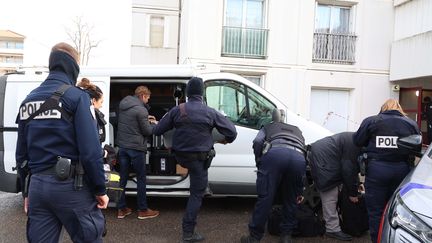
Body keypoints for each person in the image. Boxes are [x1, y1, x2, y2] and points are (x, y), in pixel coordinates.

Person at [15, 42, 109, 243]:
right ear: (73, 65)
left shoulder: (28, 100)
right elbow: (91, 152)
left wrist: (26, 191)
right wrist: (100, 189)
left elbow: (21, 155)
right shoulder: (78, 97)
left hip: (38, 188)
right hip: (71, 187)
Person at [153, 77, 237, 243]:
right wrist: (223, 140)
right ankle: (188, 233)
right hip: (199, 159)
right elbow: (232, 132)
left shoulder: (178, 110)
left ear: (187, 93)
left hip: (181, 158)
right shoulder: (210, 111)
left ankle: (202, 185)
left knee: (198, 175)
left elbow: (157, 130)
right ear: (202, 94)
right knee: (196, 194)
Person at [353, 98, 421, 243]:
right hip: (402, 170)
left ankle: (377, 240)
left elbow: (357, 141)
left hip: (377, 170)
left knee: (375, 211)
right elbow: (417, 147)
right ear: (399, 109)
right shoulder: (410, 123)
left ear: (383, 108)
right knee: (398, 211)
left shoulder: (372, 121)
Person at [241, 109, 306, 243]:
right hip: (299, 159)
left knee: (265, 197)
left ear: (272, 118)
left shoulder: (268, 127)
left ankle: (254, 237)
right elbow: (303, 148)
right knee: (291, 199)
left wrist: (259, 161)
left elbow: (258, 142)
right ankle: (286, 237)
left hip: (275, 155)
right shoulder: (297, 130)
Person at [116, 85, 159, 219]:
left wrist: (146, 118)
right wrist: (153, 123)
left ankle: (121, 209)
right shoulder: (141, 110)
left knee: (122, 179)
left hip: (123, 147)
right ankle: (142, 210)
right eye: (147, 98)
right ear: (142, 96)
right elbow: (147, 131)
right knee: (141, 179)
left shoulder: (123, 105)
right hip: (136, 148)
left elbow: (131, 123)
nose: (148, 101)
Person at [308, 132, 361, 241]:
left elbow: (351, 169)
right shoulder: (354, 144)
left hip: (323, 154)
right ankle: (332, 229)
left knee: (335, 187)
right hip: (323, 158)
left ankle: (332, 222)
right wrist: (353, 193)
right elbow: (348, 169)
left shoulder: (355, 138)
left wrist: (355, 185)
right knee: (330, 191)